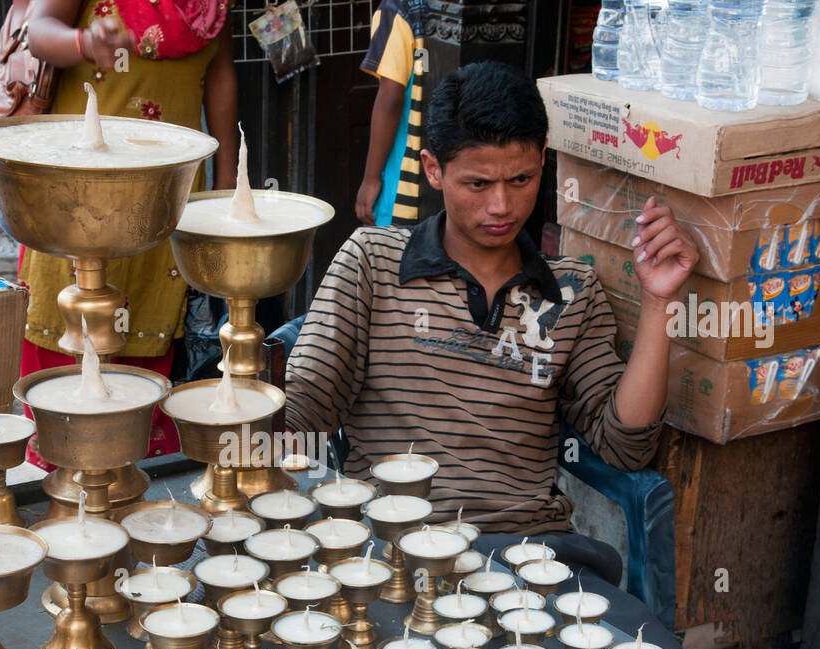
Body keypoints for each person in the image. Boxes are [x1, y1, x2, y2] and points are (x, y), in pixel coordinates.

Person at [285, 61, 697, 589]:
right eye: (477, 183)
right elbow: (303, 417)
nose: (501, 206)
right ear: (433, 170)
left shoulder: (572, 292)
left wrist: (659, 301)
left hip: (533, 556)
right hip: (394, 554)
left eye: (521, 179)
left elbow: (626, 447)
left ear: (543, 161)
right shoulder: (372, 262)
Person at [6, 0, 238, 465]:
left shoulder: (211, 6)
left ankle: (130, 488)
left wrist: (229, 185)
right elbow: (39, 31)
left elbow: (220, 74)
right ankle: (64, 484)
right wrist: (84, 42)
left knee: (145, 346)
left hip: (162, 196)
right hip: (77, 190)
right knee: (67, 347)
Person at [355, 0, 429, 226]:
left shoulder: (396, 9)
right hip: (445, 176)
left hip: (405, 180)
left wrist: (370, 178)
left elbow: (391, 96)